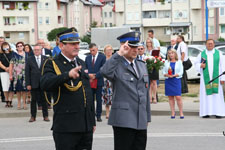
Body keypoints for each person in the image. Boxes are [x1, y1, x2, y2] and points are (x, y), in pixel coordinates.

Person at [40, 27, 96, 150]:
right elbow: (45, 83)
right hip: (67, 127)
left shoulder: (81, 62)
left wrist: (92, 120)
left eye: (77, 43)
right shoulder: (52, 63)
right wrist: (67, 75)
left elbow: (87, 93)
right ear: (61, 45)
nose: (76, 46)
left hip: (85, 126)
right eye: (72, 44)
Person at [101, 31, 151, 150]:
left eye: (136, 47)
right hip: (124, 119)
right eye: (131, 47)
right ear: (124, 47)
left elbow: (145, 93)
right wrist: (118, 54)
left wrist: (147, 116)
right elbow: (104, 72)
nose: (135, 50)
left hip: (140, 119)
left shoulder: (141, 65)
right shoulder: (116, 64)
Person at [195, 39, 225, 118]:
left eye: (211, 43)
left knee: (217, 95)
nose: (210, 45)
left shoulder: (219, 53)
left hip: (217, 78)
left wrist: (223, 78)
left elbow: (223, 66)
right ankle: (205, 112)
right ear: (206, 44)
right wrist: (200, 66)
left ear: (214, 44)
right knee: (206, 95)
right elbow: (196, 63)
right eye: (208, 44)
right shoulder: (202, 54)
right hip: (205, 79)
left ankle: (218, 113)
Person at [25, 44, 49, 122]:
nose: (36, 51)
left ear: (41, 50)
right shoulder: (29, 59)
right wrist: (28, 84)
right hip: (33, 83)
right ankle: (33, 116)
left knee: (44, 100)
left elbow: (48, 71)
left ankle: (45, 116)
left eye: (38, 50)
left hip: (43, 83)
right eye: (35, 50)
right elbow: (27, 73)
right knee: (33, 101)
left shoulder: (46, 59)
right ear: (33, 51)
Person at [85, 43, 106, 122]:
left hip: (98, 81)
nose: (92, 52)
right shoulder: (87, 58)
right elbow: (85, 68)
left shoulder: (102, 57)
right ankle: (91, 114)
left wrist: (96, 75)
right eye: (90, 51)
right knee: (90, 99)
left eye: (93, 50)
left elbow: (103, 69)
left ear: (96, 49)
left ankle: (98, 115)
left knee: (98, 99)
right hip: (90, 81)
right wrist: (89, 75)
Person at [163, 49, 184, 119]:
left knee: (178, 97)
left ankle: (181, 112)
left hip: (176, 80)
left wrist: (175, 75)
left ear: (175, 54)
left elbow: (181, 72)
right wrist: (166, 75)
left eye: (172, 53)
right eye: (169, 53)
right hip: (168, 80)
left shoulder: (179, 62)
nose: (171, 54)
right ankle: (173, 112)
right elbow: (163, 71)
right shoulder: (166, 62)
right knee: (170, 97)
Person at [9, 42, 27, 110]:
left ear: (23, 46)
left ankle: (24, 103)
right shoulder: (14, 55)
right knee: (18, 90)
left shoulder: (27, 55)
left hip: (25, 75)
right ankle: (19, 103)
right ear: (16, 47)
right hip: (16, 75)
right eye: (18, 46)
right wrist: (10, 75)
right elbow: (11, 65)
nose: (19, 47)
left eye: (21, 46)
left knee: (24, 90)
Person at [0, 42, 14, 107]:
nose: (5, 47)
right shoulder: (1, 54)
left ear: (9, 46)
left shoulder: (13, 53)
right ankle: (7, 100)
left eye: (6, 45)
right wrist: (5, 68)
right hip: (3, 71)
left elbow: (15, 61)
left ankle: (10, 100)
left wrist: (10, 68)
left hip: (12, 71)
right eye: (4, 46)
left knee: (11, 86)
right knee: (5, 86)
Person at [102, 45, 113, 119]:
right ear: (105, 52)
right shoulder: (103, 60)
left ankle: (113, 112)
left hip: (113, 80)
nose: (109, 51)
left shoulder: (114, 59)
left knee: (113, 96)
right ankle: (107, 113)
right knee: (106, 96)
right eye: (107, 50)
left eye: (110, 50)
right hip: (105, 80)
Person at [146, 37, 158, 104]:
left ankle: (155, 97)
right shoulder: (145, 50)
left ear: (151, 43)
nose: (148, 44)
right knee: (149, 83)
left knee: (154, 82)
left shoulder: (154, 49)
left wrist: (153, 65)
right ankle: (150, 98)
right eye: (147, 42)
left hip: (154, 67)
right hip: (147, 67)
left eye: (149, 42)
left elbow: (157, 58)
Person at [0, 36, 6, 102]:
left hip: (3, 69)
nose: (1, 42)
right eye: (0, 41)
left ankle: (3, 97)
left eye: (2, 41)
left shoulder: (6, 49)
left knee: (2, 83)